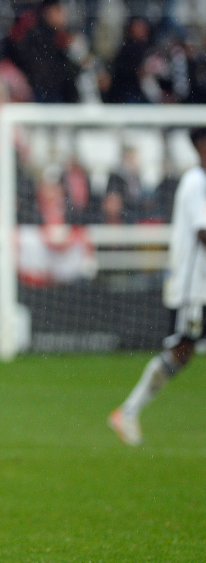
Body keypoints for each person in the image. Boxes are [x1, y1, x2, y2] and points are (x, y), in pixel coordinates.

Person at [110, 128, 206, 445]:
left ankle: (128, 412)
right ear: (199, 148)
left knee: (183, 352)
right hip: (194, 287)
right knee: (181, 351)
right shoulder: (196, 182)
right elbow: (203, 233)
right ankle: (128, 412)